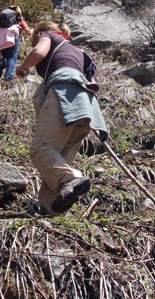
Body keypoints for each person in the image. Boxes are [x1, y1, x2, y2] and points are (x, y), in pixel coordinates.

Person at [15, 22, 108, 215]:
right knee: (59, 159)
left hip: (65, 93)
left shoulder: (48, 35)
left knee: (41, 149)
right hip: (87, 105)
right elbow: (91, 81)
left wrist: (23, 67)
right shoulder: (78, 52)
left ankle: (72, 179)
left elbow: (38, 53)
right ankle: (50, 208)